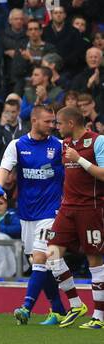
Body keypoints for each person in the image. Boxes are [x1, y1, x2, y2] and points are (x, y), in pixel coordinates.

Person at [0, 103, 67, 325]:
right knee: (42, 263)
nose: (52, 125)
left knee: (40, 257)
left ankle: (26, 307)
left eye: (54, 121)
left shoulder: (61, 146)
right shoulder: (17, 145)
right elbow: (4, 170)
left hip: (51, 211)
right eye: (48, 121)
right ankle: (59, 309)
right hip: (26, 212)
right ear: (34, 121)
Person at [47, 104, 104, 328]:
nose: (56, 127)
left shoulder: (97, 141)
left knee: (95, 262)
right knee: (51, 254)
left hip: (91, 209)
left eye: (59, 123)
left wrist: (79, 159)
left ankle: (99, 317)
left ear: (71, 123)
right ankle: (76, 303)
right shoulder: (66, 144)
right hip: (67, 209)